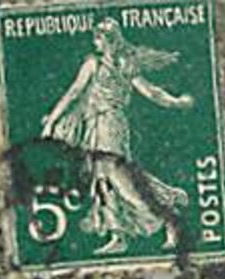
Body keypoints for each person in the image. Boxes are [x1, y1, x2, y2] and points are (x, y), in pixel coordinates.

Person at [39, 19, 195, 255]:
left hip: (111, 124)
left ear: (110, 40)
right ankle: (118, 235)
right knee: (103, 181)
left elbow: (150, 91)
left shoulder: (123, 64)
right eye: (96, 38)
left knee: (121, 180)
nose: (96, 42)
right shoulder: (94, 63)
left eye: (99, 38)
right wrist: (52, 120)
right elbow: (74, 93)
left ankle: (168, 214)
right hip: (95, 124)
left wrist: (175, 102)